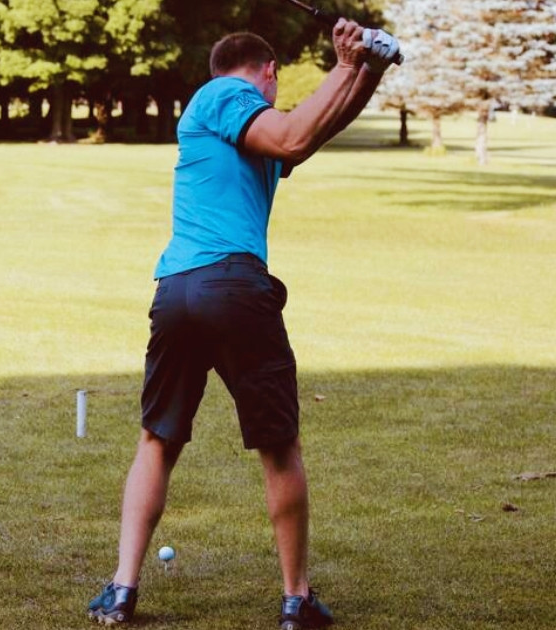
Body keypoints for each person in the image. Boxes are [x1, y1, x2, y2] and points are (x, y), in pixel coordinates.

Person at [86, 20, 400, 630]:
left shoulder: (249, 136)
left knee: (159, 438)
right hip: (232, 286)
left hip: (178, 290)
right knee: (279, 447)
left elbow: (310, 135)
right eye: (275, 86)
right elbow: (290, 133)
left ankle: (122, 591)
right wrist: (344, 63)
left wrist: (369, 70)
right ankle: (296, 600)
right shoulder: (226, 96)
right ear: (268, 72)